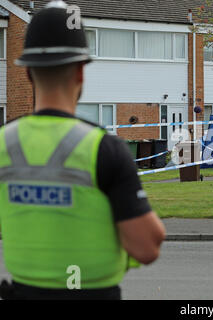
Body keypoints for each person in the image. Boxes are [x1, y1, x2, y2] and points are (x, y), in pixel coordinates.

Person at [0, 1, 165, 300]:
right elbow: (147, 247)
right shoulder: (105, 149)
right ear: (80, 73)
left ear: (28, 74)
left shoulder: (3, 143)